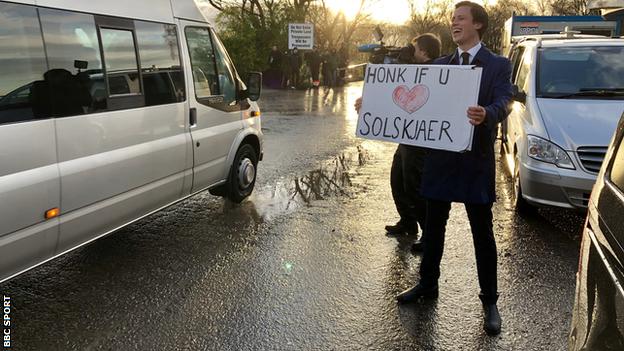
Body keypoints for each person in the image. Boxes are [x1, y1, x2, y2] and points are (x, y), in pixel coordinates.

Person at [395, 1, 513, 336]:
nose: (453, 23)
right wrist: (372, 105)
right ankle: (427, 285)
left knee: (482, 234)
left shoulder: (497, 65)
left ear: (478, 24)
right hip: (441, 161)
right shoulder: (441, 65)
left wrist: (487, 113)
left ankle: (490, 301)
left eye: (460, 18)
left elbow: (505, 100)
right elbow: (413, 104)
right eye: (452, 19)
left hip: (474, 162)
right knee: (433, 228)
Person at [354, 34, 441, 239]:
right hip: (406, 137)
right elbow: (390, 94)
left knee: (413, 185)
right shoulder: (410, 70)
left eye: (414, 48)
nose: (410, 52)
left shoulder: (436, 71)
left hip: (420, 139)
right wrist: (368, 104)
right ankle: (408, 221)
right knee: (397, 179)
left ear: (424, 52)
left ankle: (429, 234)